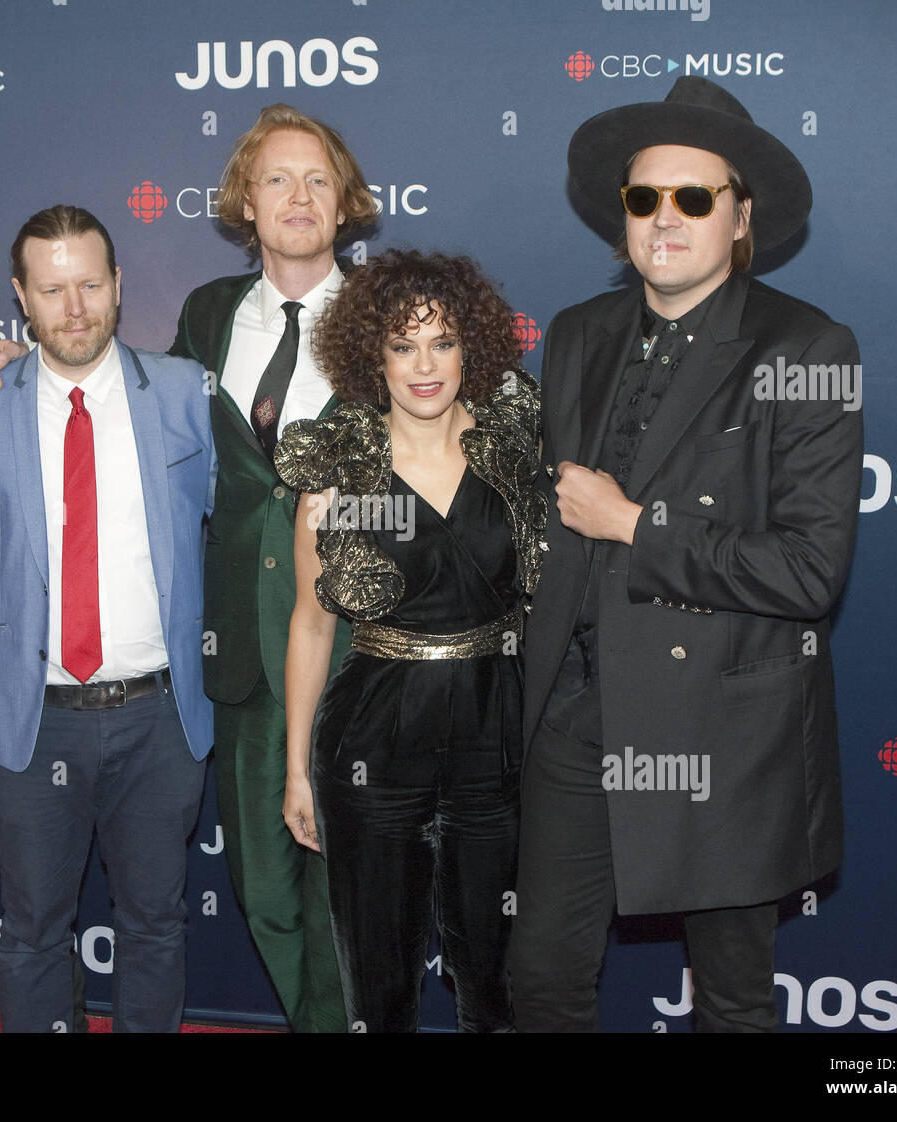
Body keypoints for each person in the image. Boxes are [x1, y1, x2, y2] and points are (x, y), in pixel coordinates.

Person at [509, 76, 864, 1032]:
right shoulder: (579, 333)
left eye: (694, 198)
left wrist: (637, 525)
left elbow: (808, 569)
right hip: (578, 714)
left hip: (722, 728)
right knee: (539, 980)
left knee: (735, 1003)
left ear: (740, 216)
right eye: (644, 198)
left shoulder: (809, 345)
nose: (664, 219)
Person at [0, 205, 215, 1032]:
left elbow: (251, 535)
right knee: (33, 935)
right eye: (52, 290)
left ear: (120, 286)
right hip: (29, 722)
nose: (75, 307)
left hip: (161, 720)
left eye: (90, 284)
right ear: (19, 297)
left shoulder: (187, 395)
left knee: (156, 927)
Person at [276, 250, 545, 1032]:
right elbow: (311, 622)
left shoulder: (515, 453)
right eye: (402, 345)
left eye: (443, 342)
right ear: (372, 356)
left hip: (497, 736)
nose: (424, 365)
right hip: (374, 742)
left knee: (494, 979)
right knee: (379, 980)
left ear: (474, 349)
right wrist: (296, 770)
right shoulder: (339, 476)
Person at [166, 104, 377, 1032]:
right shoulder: (208, 315)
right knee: (264, 887)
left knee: (351, 888)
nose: (299, 197)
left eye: (318, 179)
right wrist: (14, 363)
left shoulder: (389, 319)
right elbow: (143, 413)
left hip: (365, 645)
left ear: (346, 203)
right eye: (278, 179)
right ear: (244, 203)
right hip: (246, 645)